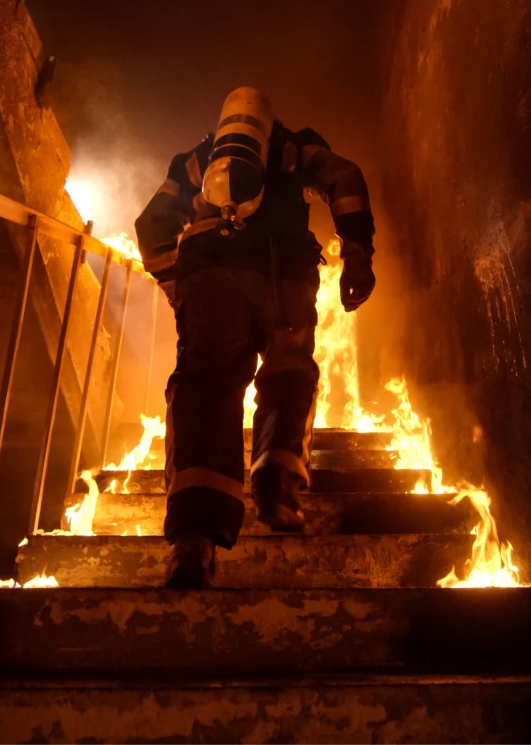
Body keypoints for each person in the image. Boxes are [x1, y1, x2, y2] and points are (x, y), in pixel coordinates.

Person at [134, 87, 376, 588]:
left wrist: (177, 287)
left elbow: (152, 223)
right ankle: (277, 490)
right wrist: (357, 254)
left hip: (211, 282)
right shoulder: (294, 147)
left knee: (205, 390)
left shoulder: (197, 159)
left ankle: (194, 544)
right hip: (284, 276)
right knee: (289, 373)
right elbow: (345, 178)